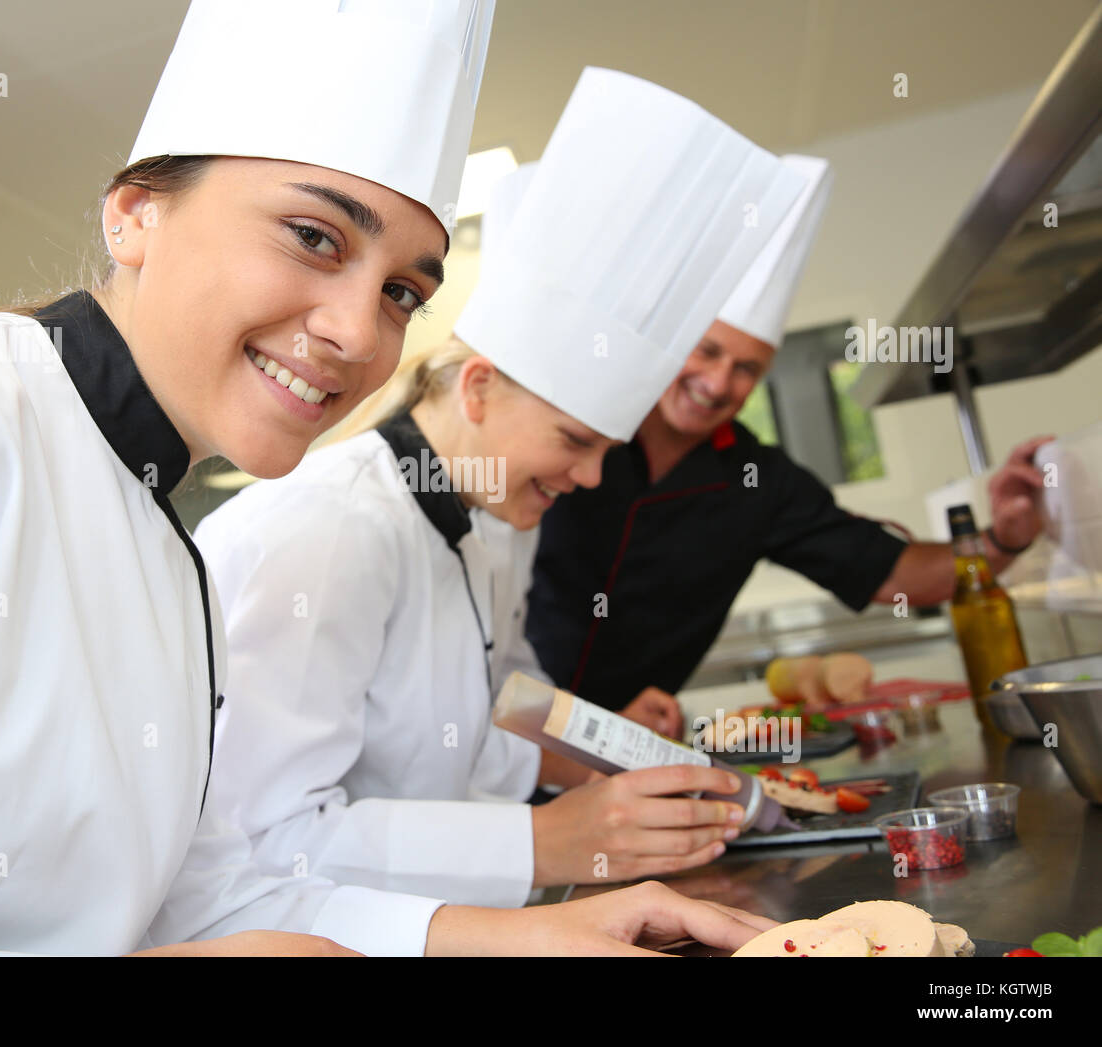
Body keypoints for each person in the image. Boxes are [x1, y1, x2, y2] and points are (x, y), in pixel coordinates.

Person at [0, 0, 777, 958]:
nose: (361, 336)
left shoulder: (165, 550)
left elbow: (200, 897)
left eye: (402, 292)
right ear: (134, 212)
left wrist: (529, 937)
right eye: (314, 236)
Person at [194, 68, 809, 907]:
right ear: (478, 388)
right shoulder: (329, 531)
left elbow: (494, 718)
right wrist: (550, 839)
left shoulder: (496, 523)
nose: (591, 476)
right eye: (574, 441)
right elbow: (268, 843)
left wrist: (623, 756)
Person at [521, 156, 1050, 725]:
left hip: (628, 738)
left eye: (747, 369)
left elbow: (895, 575)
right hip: (503, 726)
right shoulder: (580, 427)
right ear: (674, 342)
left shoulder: (759, 481)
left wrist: (1005, 539)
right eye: (708, 352)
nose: (720, 382)